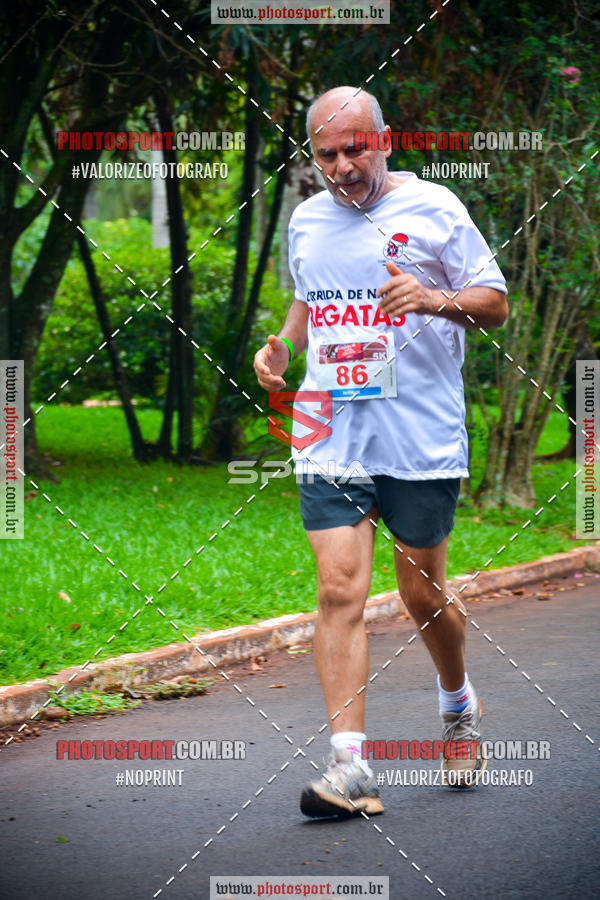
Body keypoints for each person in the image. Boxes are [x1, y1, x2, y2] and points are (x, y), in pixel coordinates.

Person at [253, 86, 508, 817]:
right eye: (327, 153)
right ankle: (350, 769)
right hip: (330, 432)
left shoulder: (434, 208)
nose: (341, 165)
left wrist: (431, 299)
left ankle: (457, 706)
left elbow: (494, 302)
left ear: (384, 140)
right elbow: (312, 298)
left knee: (422, 595)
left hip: (419, 436)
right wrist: (283, 347)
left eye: (354, 148)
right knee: (338, 589)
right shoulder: (306, 221)